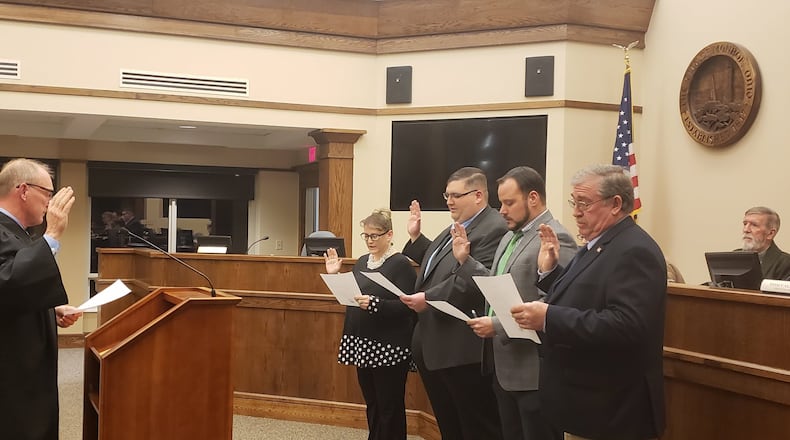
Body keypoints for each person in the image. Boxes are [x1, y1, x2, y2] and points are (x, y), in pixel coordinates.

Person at [511, 164, 666, 440]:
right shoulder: (600, 243)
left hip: (612, 410)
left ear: (616, 204)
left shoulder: (634, 250)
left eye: (584, 203)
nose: (575, 212)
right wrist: (550, 273)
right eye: (574, 202)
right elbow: (585, 295)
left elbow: (627, 324)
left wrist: (548, 317)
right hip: (586, 405)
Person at [452, 166, 576, 440]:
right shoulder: (510, 235)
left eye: (509, 203)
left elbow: (552, 302)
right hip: (503, 367)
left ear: (533, 198)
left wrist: (496, 324)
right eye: (501, 203)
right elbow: (496, 284)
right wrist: (465, 261)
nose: (502, 210)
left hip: (533, 373)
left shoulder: (556, 237)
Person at [400, 167, 507, 440]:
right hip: (436, 344)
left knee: (475, 426)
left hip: (461, 349)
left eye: (456, 195)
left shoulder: (493, 227)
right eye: (447, 195)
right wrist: (416, 238)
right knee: (450, 423)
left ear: (479, 195)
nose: (449, 201)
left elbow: (475, 279)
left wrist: (429, 298)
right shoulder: (459, 225)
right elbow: (441, 264)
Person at [0, 158, 83, 440]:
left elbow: (20, 287)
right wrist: (52, 234)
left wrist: (52, 307)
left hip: (26, 359)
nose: (50, 202)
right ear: (23, 190)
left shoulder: (18, 233)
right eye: (47, 194)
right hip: (11, 366)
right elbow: (7, 283)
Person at [324, 208, 417, 440]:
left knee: (389, 405)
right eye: (366, 235)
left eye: (374, 235)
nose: (369, 241)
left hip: (388, 346)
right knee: (373, 402)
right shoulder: (363, 261)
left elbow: (408, 306)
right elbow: (353, 294)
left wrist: (377, 304)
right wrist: (335, 276)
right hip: (362, 341)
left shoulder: (400, 264)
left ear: (389, 235)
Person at [737, 206, 790, 280]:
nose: (746, 230)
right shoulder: (734, 256)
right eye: (745, 224)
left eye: (754, 225)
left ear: (770, 234)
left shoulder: (786, 264)